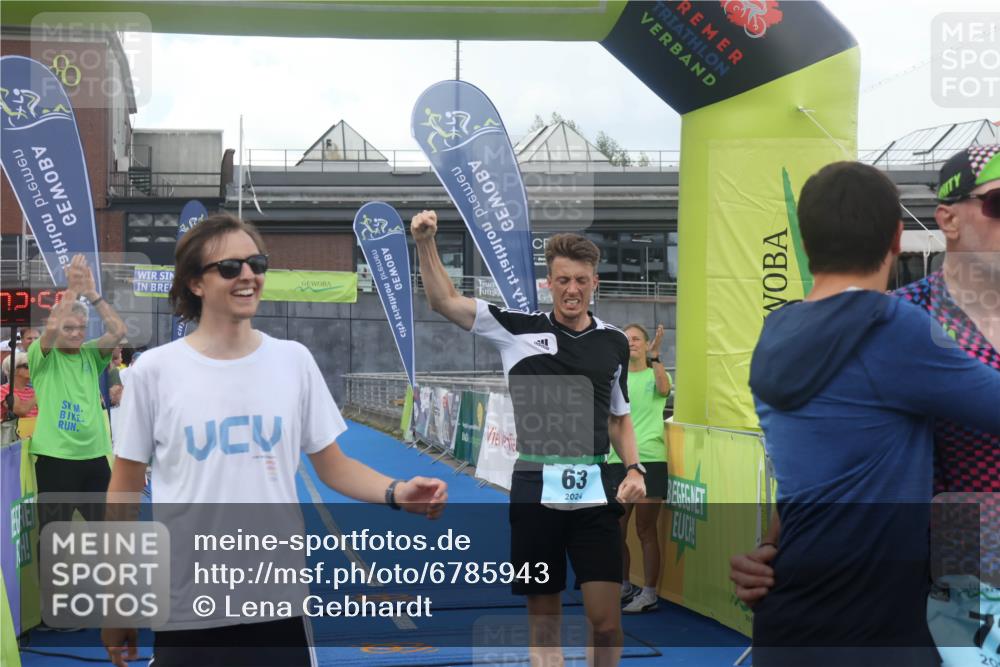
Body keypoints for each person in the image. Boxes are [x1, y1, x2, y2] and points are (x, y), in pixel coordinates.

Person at [102, 213, 448, 667]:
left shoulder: (293, 361)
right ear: (196, 284)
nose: (248, 276)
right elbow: (124, 491)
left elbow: (333, 465)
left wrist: (398, 492)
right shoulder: (154, 371)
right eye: (230, 267)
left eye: (256, 263)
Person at [739, 161, 1000, 666]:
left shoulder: (776, 331)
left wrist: (769, 545)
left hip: (795, 610)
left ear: (806, 240)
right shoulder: (894, 326)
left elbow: (822, 462)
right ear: (898, 239)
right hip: (879, 620)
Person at [411, 209, 646, 667]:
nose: (572, 289)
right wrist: (425, 243)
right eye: (562, 280)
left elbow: (620, 417)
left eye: (580, 280)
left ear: (594, 281)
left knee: (605, 620)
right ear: (549, 283)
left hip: (595, 486)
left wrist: (634, 467)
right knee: (544, 623)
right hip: (534, 485)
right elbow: (445, 301)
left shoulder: (614, 341)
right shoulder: (515, 329)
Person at [29, 254, 127, 529]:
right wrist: (72, 289)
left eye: (81, 328)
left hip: (95, 457)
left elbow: (118, 330)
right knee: (53, 537)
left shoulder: (90, 354)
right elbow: (50, 327)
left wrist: (93, 293)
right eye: (68, 328)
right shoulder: (43, 356)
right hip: (56, 459)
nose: (76, 334)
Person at [607, 323, 670, 614]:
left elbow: (664, 390)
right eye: (626, 339)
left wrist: (656, 358)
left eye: (636, 339)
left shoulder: (656, 372)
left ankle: (649, 593)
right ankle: (622, 585)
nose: (631, 343)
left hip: (651, 460)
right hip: (615, 461)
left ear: (646, 345)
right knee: (614, 530)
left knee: (645, 529)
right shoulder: (614, 378)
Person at [1, 351, 37, 420]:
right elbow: (21, 411)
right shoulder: (4, 391)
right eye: (27, 366)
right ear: (14, 370)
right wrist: (39, 393)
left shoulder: (33, 391)